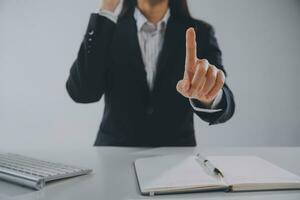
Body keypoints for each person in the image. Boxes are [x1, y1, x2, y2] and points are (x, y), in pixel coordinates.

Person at [66, 0, 235, 146]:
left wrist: (210, 94)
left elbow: (225, 101)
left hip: (175, 159)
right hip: (114, 153)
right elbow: (83, 92)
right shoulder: (107, 30)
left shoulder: (201, 33)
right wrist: (106, 8)